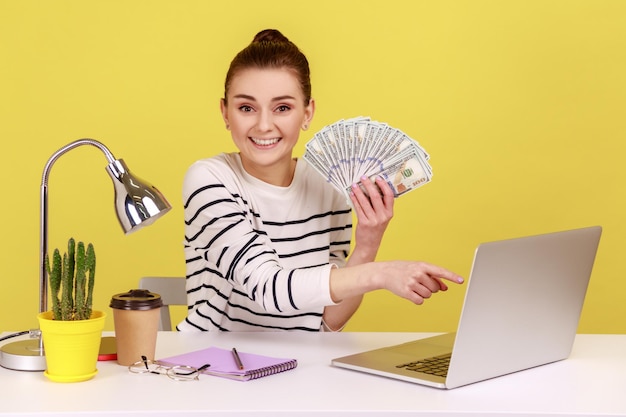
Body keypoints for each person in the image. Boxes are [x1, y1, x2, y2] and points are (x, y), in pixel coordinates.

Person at [178, 29, 463, 332]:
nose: (263, 125)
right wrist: (382, 273)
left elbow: (328, 321)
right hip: (214, 366)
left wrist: (368, 244)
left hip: (298, 368)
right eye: (246, 108)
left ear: (307, 113)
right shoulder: (208, 180)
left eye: (282, 108)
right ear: (225, 112)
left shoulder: (329, 185)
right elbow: (268, 289)